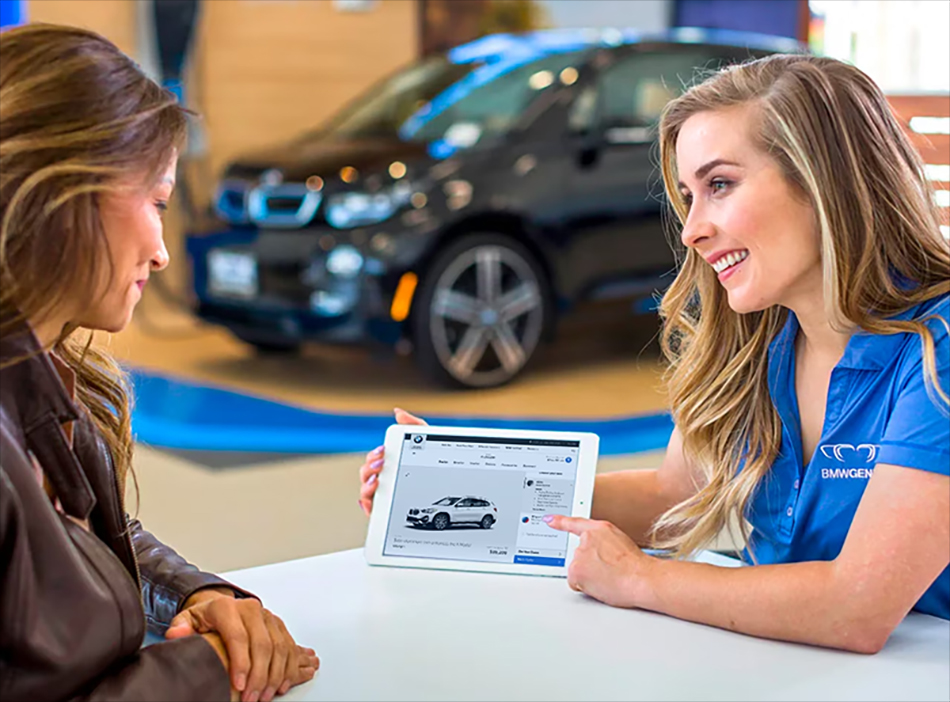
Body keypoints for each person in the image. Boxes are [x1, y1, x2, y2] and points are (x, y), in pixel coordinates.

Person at [358, 54, 949, 653]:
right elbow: (670, 498)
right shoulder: (758, 338)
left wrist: (642, 578)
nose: (692, 230)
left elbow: (856, 606)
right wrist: (449, 477)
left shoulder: (938, 348)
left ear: (825, 181)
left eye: (719, 185)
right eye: (689, 196)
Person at [0, 24, 318, 701]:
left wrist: (192, 595)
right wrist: (209, 668)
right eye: (156, 204)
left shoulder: (48, 377)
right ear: (65, 194)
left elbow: (62, 552)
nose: (162, 251)